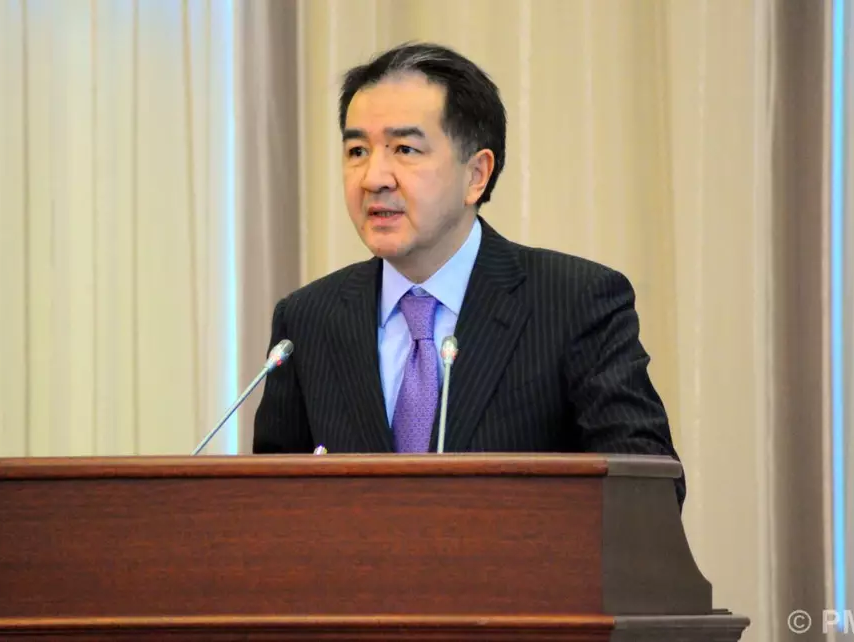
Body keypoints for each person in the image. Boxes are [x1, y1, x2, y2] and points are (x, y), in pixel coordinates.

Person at [253, 42, 685, 508]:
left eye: (405, 149)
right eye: (357, 150)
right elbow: (270, 507)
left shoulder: (575, 302)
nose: (373, 177)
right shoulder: (307, 321)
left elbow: (645, 492)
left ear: (477, 174)